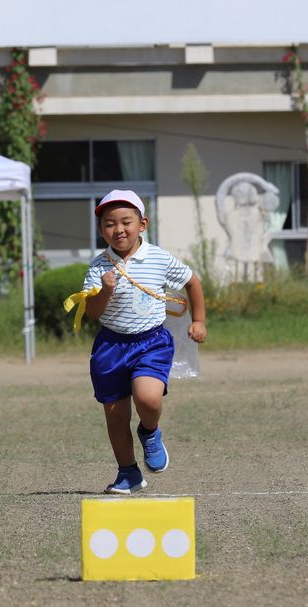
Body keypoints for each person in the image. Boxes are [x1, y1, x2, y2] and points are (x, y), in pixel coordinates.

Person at [80, 189, 207, 494]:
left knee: (149, 399)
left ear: (143, 224)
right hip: (111, 347)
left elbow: (191, 281)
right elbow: (92, 313)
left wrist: (199, 320)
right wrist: (105, 291)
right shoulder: (99, 267)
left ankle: (149, 431)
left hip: (151, 342)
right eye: (109, 223)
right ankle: (129, 473)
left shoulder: (158, 257)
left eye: (126, 221)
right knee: (115, 417)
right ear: (101, 230)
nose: (119, 229)